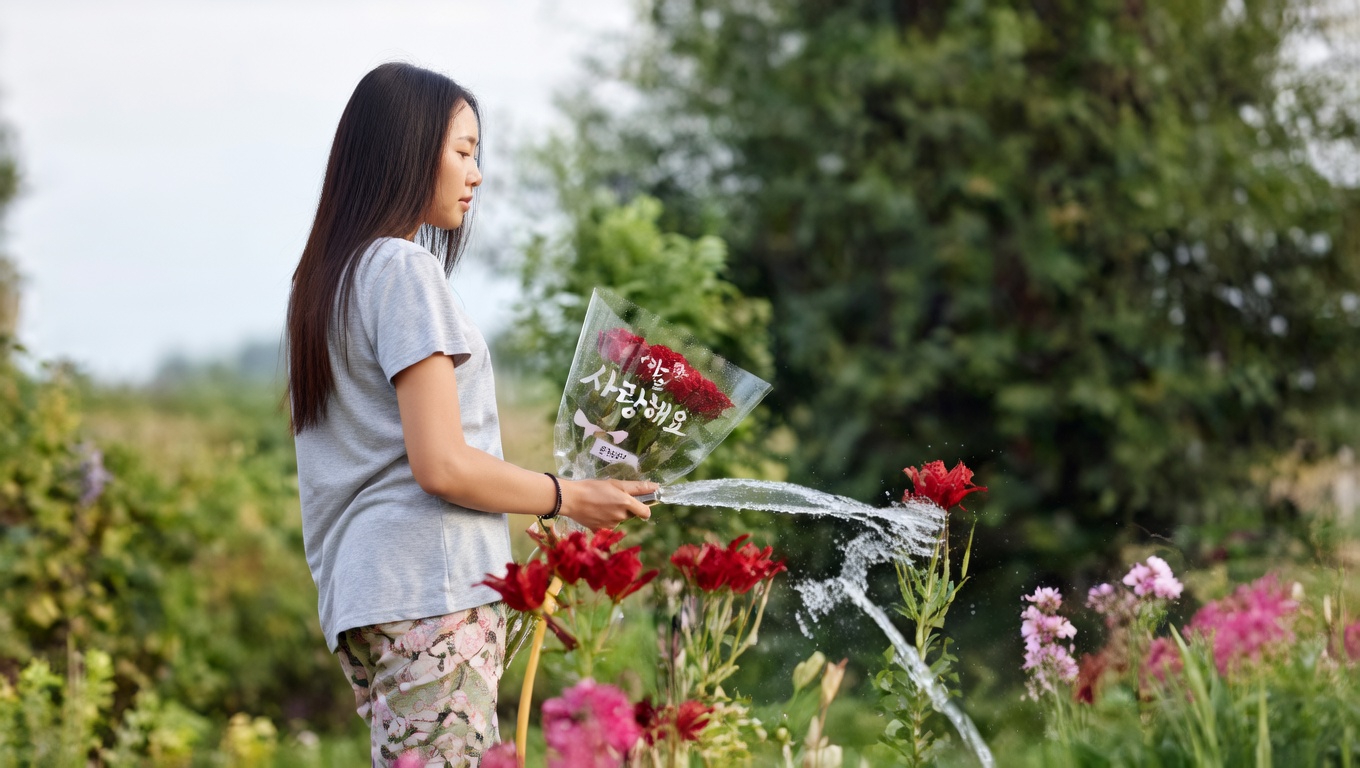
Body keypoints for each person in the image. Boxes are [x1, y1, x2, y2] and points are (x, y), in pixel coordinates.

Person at [286, 62, 655, 767]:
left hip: (371, 594)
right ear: (404, 150)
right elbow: (442, 464)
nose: (476, 173)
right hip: (428, 586)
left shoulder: (325, 281)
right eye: (462, 150)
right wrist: (566, 496)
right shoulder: (402, 269)